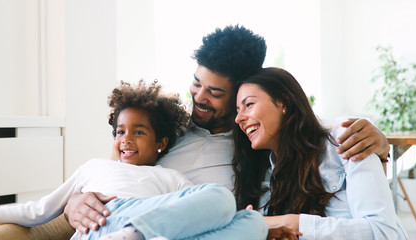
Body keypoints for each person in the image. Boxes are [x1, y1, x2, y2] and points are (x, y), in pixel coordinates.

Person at [63, 25, 391, 235]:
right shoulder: (167, 127)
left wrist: (377, 138)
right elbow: (114, 167)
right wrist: (76, 199)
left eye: (216, 93)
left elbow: (307, 129)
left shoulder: (257, 144)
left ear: (240, 93)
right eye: (196, 83)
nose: (199, 98)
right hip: (125, 218)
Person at [0, 81, 267, 240]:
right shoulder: (93, 168)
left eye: (138, 132)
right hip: (106, 221)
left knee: (252, 222)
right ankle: (132, 235)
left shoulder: (168, 177)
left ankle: (137, 234)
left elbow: (196, 212)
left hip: (153, 225)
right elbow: (37, 210)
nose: (126, 139)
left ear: (161, 143)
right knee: (221, 199)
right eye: (120, 132)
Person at [233, 67, 407, 240]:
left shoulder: (347, 140)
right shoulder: (265, 175)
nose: (238, 118)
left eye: (249, 104)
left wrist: (286, 222)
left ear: (283, 102)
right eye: (237, 110)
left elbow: (382, 233)